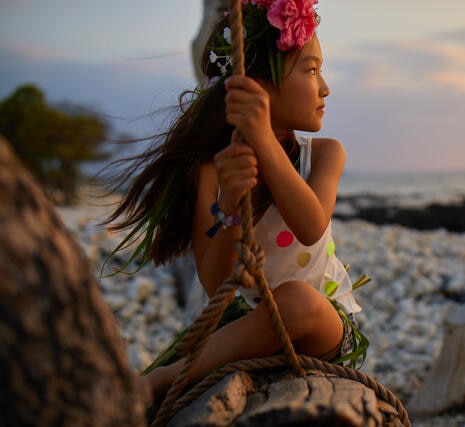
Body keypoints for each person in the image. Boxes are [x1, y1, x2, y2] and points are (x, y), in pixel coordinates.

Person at [103, 0, 366, 406]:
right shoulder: (212, 170)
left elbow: (310, 226)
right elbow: (215, 285)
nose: (325, 86)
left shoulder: (325, 154)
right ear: (257, 87)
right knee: (278, 306)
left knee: (296, 299)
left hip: (322, 325)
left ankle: (167, 377)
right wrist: (229, 205)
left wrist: (263, 139)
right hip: (251, 321)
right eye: (312, 70)